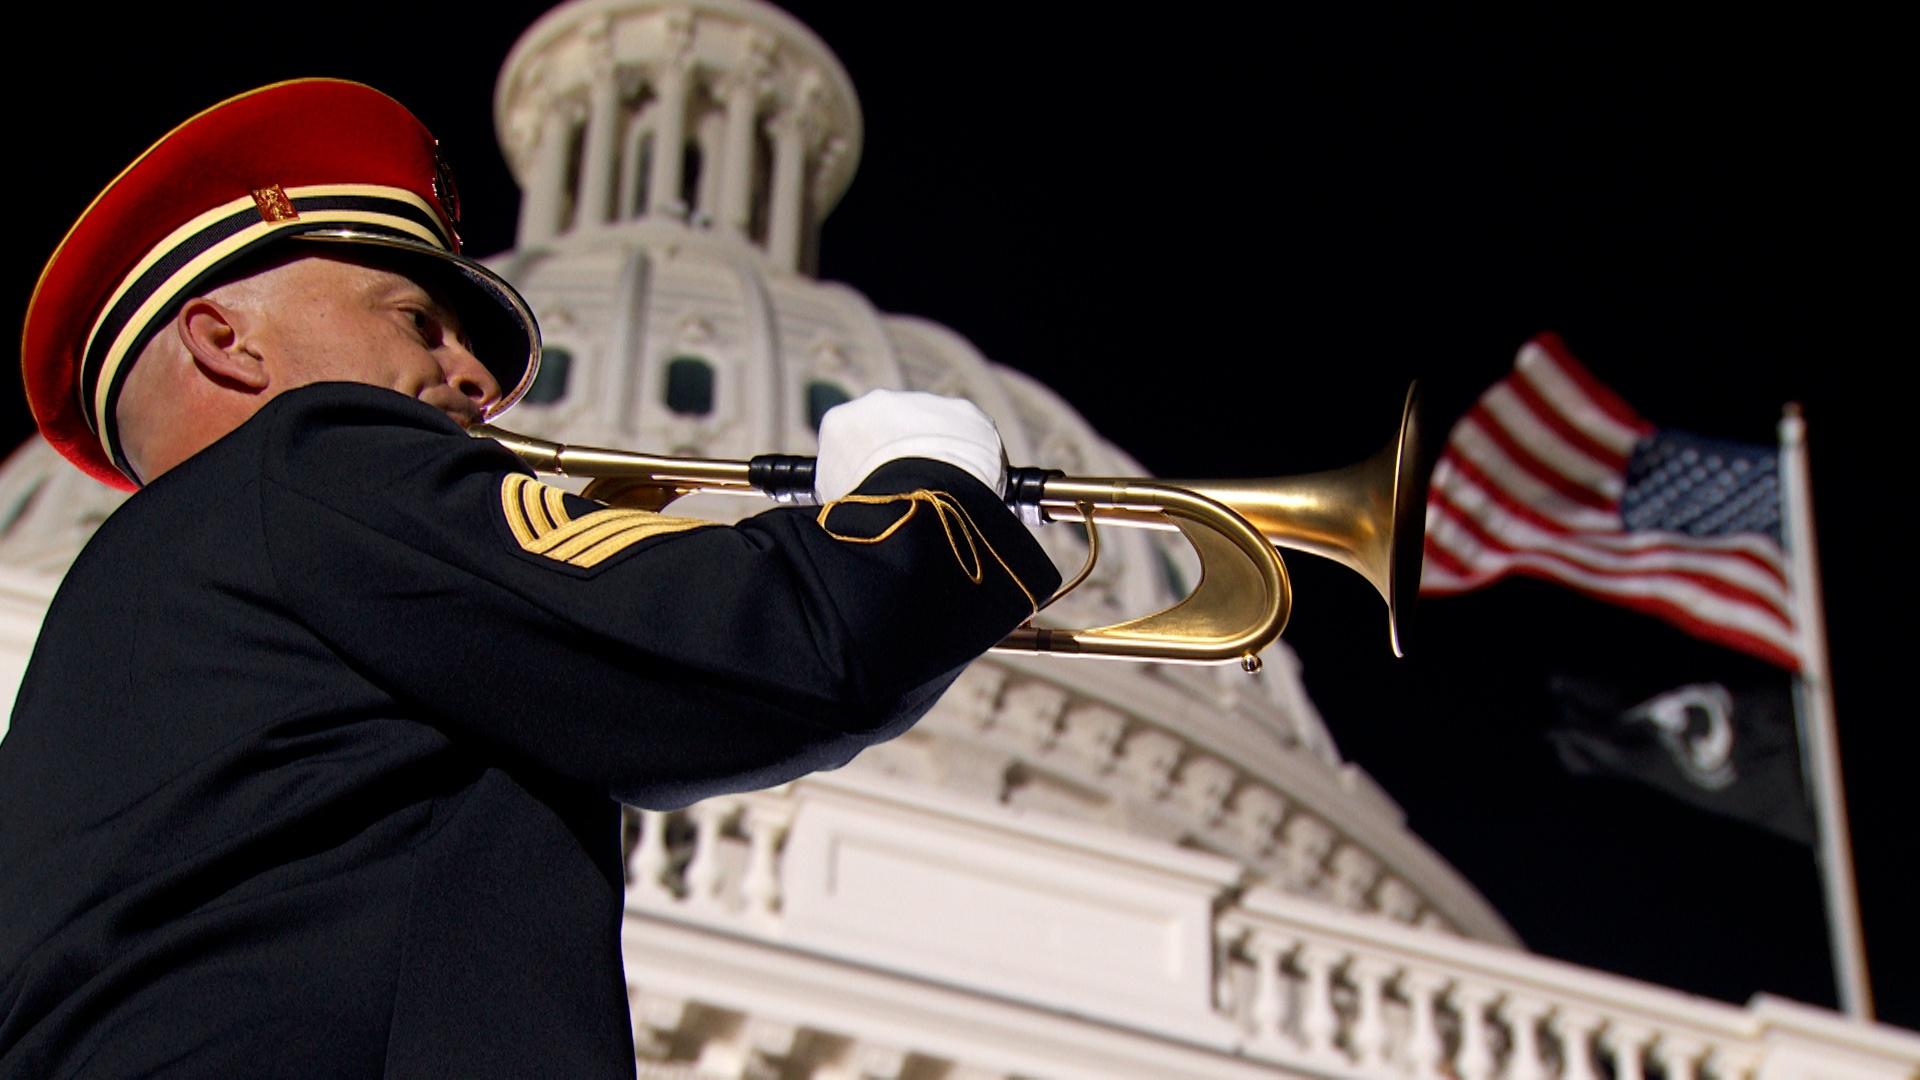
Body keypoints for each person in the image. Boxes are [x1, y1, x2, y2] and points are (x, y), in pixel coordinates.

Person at [0, 79, 1058, 1077]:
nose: (479, 380)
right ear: (226, 341)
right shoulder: (311, 458)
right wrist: (930, 505)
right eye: (418, 322)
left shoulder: (95, 653)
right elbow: (782, 650)